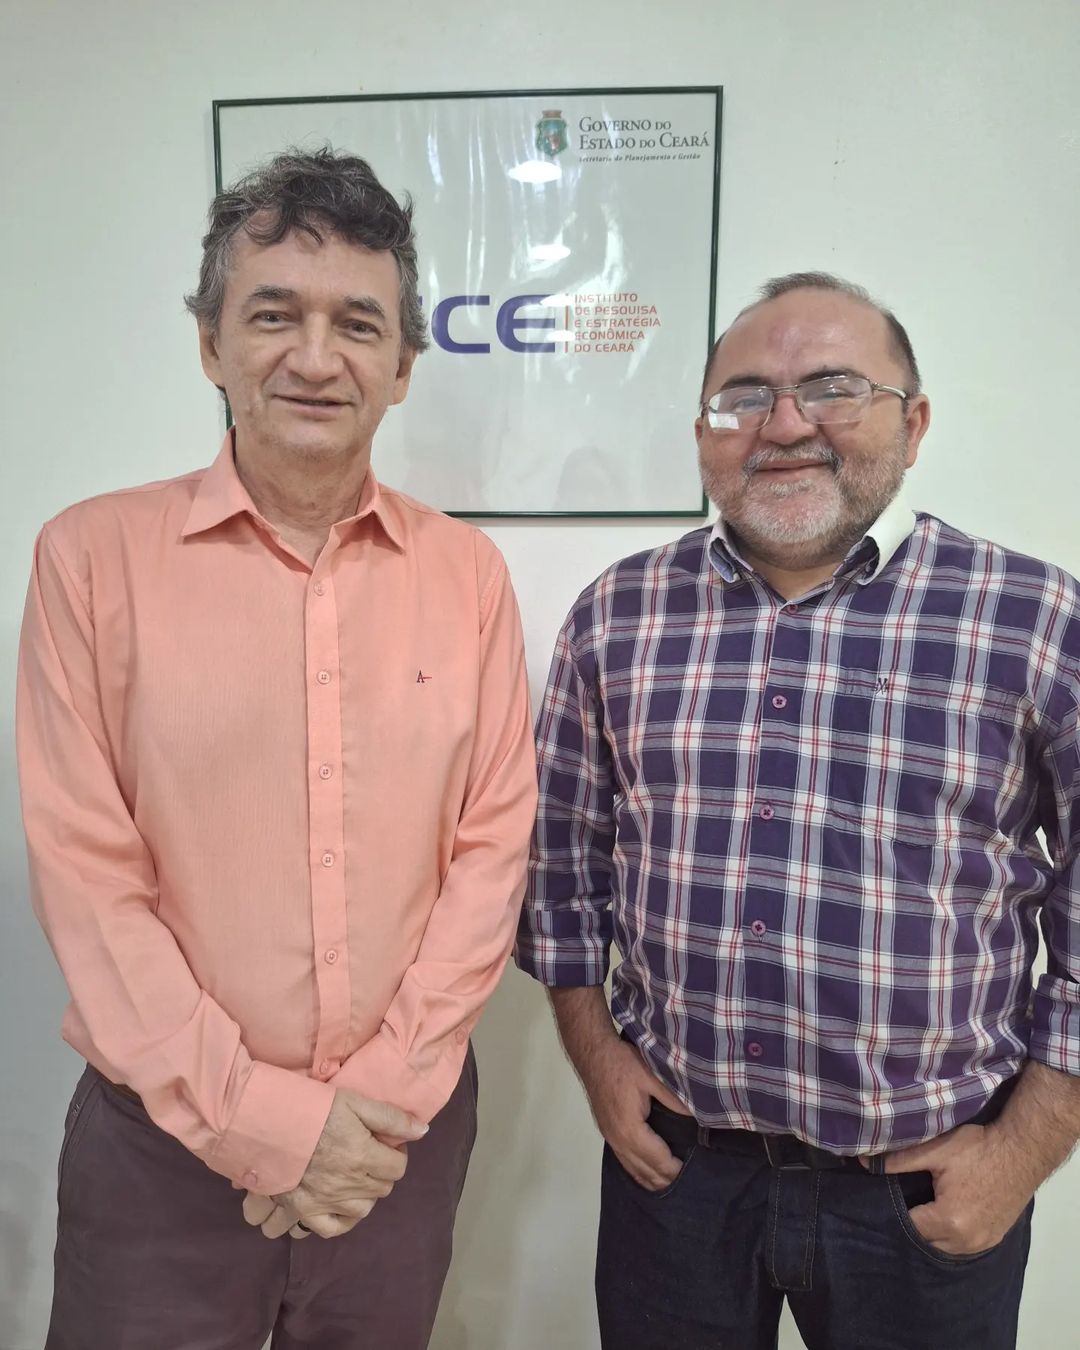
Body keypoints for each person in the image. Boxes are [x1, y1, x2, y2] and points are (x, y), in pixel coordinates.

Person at [17, 147, 537, 1350]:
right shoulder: (88, 562)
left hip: (395, 1143)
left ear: (403, 367)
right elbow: (90, 880)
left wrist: (367, 1115)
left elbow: (490, 854)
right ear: (211, 344)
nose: (315, 356)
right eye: (272, 315)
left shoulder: (468, 576)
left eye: (358, 323)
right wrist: (266, 1124)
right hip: (162, 1148)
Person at [516, 271, 1080, 1350]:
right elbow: (563, 871)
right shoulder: (618, 617)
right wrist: (599, 1063)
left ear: (914, 422)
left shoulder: (1035, 619)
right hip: (676, 1184)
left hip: (923, 1197)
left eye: (833, 388)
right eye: (743, 398)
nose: (783, 426)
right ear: (703, 433)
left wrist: (1024, 1151)